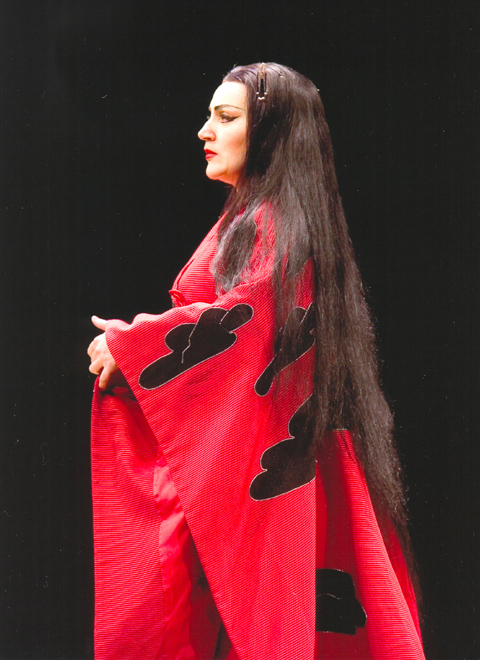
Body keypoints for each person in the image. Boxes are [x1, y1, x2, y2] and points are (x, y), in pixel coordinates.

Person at [88, 63, 425, 660]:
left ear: (271, 132)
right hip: (270, 460)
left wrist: (132, 346)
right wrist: (141, 339)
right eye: (209, 116)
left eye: (225, 117)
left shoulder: (276, 223)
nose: (204, 131)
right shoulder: (263, 218)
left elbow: (250, 320)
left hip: (274, 467)